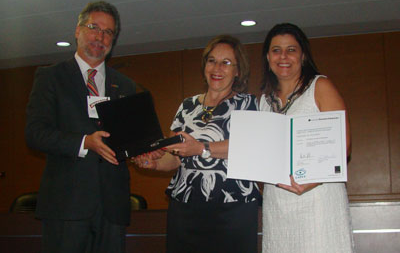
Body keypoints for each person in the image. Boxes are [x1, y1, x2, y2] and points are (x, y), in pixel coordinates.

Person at [25, 1, 136, 253]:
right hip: (66, 205)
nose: (100, 36)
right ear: (77, 30)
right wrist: (85, 142)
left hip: (112, 207)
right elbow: (35, 134)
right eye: (94, 27)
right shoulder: (50, 77)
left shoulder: (125, 85)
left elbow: (127, 140)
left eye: (108, 32)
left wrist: (145, 149)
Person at [134, 35, 261, 253]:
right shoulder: (187, 106)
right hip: (186, 205)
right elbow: (175, 157)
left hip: (233, 206)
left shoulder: (248, 103)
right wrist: (154, 164)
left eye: (226, 62)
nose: (217, 68)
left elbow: (249, 146)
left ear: (238, 70)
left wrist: (202, 148)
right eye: (212, 60)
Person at [259, 23, 354, 253]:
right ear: (268, 57)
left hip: (318, 198)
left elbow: (343, 145)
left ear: (302, 56)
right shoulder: (263, 101)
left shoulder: (319, 86)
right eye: (276, 50)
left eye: (291, 49)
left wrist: (313, 179)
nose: (283, 56)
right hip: (277, 204)